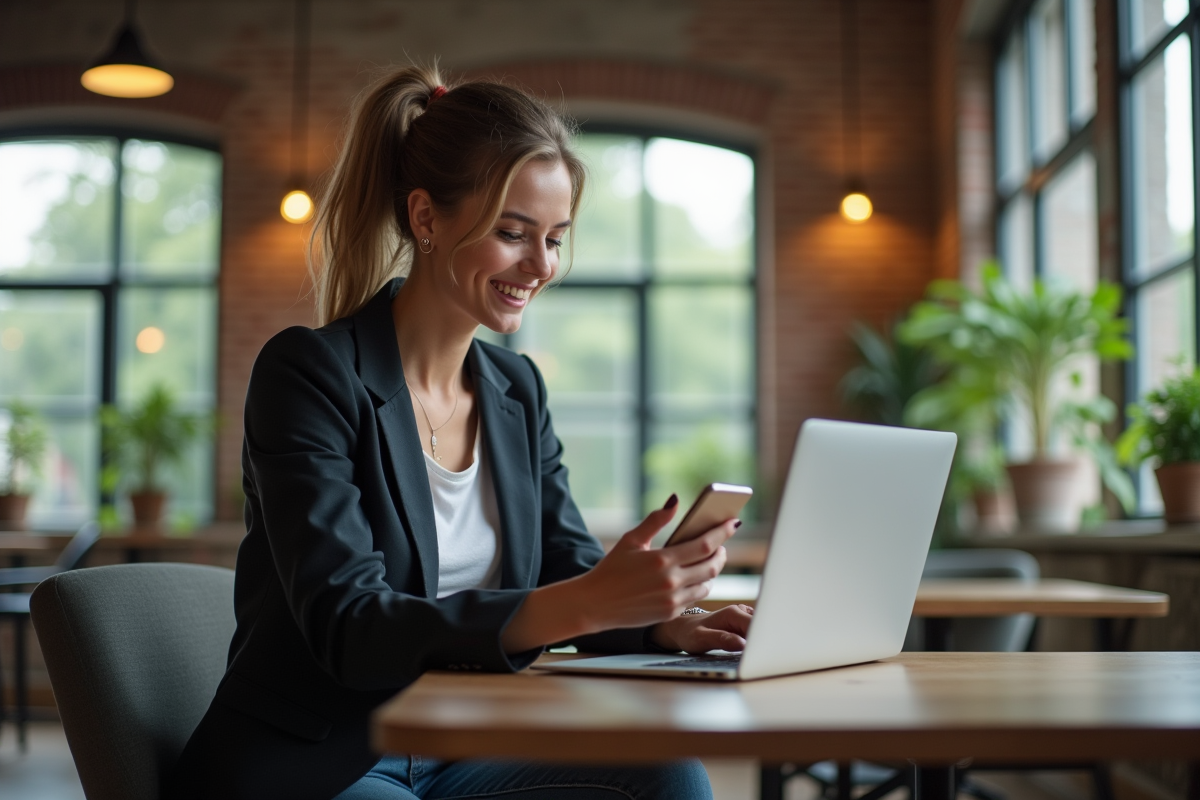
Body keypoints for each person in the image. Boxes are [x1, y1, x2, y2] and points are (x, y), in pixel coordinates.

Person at [168, 65, 753, 800]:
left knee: (670, 778)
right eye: (513, 234)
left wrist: (665, 623)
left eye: (555, 239)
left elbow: (566, 573)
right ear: (426, 219)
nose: (540, 266)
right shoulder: (310, 374)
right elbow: (351, 626)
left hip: (467, 742)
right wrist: (590, 600)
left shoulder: (516, 389)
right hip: (324, 759)